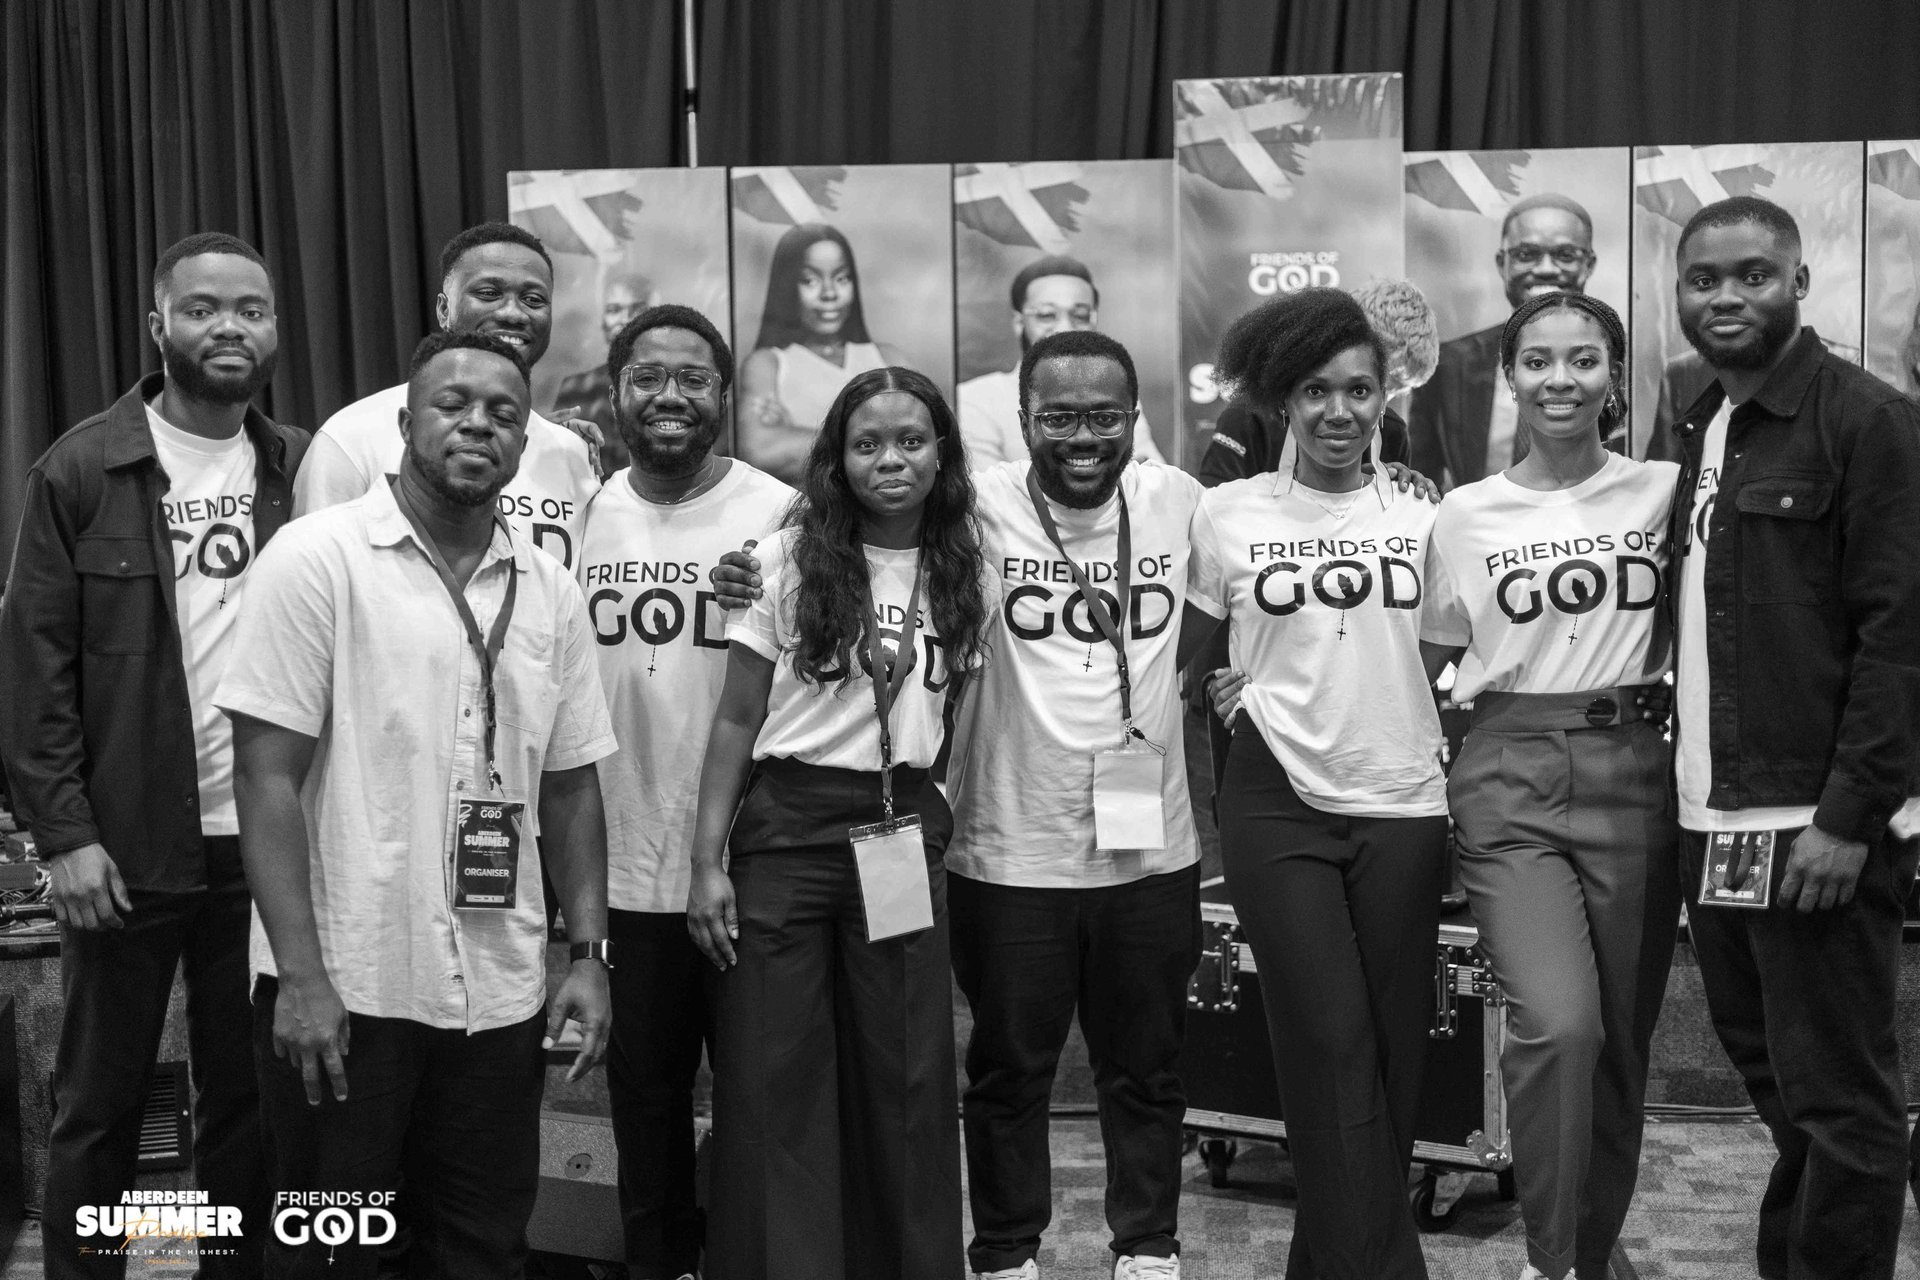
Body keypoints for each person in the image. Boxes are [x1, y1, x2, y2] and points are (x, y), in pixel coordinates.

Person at [218, 330, 617, 1279]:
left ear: (525, 446)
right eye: (452, 404)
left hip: (499, 990)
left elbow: (569, 785)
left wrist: (590, 954)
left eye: (504, 412)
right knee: (335, 1255)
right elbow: (262, 778)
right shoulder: (316, 560)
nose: (477, 423)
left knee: (481, 1247)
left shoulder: (549, 590)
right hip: (352, 984)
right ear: (405, 422)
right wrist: (303, 977)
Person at [0, 231, 299, 1280]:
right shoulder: (81, 466)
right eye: (206, 307)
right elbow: (32, 670)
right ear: (158, 325)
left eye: (251, 309)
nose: (230, 326)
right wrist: (66, 836)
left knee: (249, 1109)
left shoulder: (303, 470)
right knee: (100, 1111)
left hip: (269, 851)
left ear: (274, 326)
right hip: (125, 850)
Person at [1665, 195, 1920, 1280]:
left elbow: (1900, 639)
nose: (1727, 296)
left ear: (1800, 283)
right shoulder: (1702, 420)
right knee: (1776, 1081)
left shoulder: (1866, 420)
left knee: (1842, 1099)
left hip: (1810, 826)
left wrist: (1848, 818)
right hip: (1708, 815)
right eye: (1706, 279)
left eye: (1754, 275)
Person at [685, 366, 987, 1280]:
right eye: (866, 443)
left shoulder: (969, 565)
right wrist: (707, 862)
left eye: (909, 441)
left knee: (909, 1072)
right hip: (788, 829)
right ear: (837, 459)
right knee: (776, 1073)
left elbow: (954, 706)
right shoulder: (785, 559)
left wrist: (938, 816)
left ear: (941, 455)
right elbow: (736, 720)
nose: (888, 459)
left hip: (899, 830)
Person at [1186, 289, 1449, 1279]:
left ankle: (1328, 1263)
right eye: (1314, 392)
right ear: (1281, 401)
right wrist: (1226, 700)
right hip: (1275, 799)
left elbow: (1456, 648)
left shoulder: (1428, 510)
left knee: (1390, 1050)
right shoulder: (1227, 512)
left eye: (1357, 390)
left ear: (1386, 394)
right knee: (1326, 1036)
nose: (1338, 411)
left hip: (1404, 800)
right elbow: (1196, 658)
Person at [1420, 292, 1680, 1280]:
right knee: (1558, 1019)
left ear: (1614, 372)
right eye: (1539, 361)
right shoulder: (1464, 511)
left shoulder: (1661, 490)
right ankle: (1550, 1256)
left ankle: (1588, 1250)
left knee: (1620, 1041)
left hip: (1639, 769)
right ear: (1512, 375)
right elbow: (1435, 660)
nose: (1560, 379)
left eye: (1583, 359)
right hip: (1510, 772)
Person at [576, 303, 793, 1280]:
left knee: (761, 1094)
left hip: (750, 860)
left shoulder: (782, 512)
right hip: (621, 861)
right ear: (617, 391)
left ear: (724, 395)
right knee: (645, 1097)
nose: (670, 396)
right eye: (649, 376)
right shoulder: (581, 513)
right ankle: (659, 1262)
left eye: (692, 378)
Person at [295, 221, 601, 567]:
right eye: (488, 293)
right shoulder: (352, 438)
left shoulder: (573, 454)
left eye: (533, 299)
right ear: (444, 310)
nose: (513, 313)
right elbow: (309, 581)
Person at [1410, 194, 1598, 488]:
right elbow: (1418, 482)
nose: (1546, 268)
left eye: (1564, 255)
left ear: (1588, 265)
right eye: (1527, 254)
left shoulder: (1615, 363)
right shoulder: (1448, 364)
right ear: (1502, 263)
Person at [1200, 277, 1437, 484]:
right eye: (1316, 391)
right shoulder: (1249, 418)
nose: (1340, 413)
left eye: (1363, 390)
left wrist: (1402, 498)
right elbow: (1216, 511)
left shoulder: (1392, 431)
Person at [957, 254, 1166, 466]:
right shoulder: (977, 399)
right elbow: (988, 491)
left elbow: (1152, 479)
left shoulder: (1114, 392)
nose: (1065, 328)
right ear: (1019, 322)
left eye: (1080, 315)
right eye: (1047, 315)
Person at [736, 223, 900, 484]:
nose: (829, 294)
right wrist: (888, 440)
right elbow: (763, 451)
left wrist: (798, 437)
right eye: (810, 280)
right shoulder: (768, 364)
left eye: (841, 278)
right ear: (787, 287)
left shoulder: (889, 359)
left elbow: (936, 439)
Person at [551, 264, 659, 473]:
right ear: (603, 320)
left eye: (639, 309)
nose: (625, 319)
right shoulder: (575, 388)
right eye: (614, 310)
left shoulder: (678, 386)